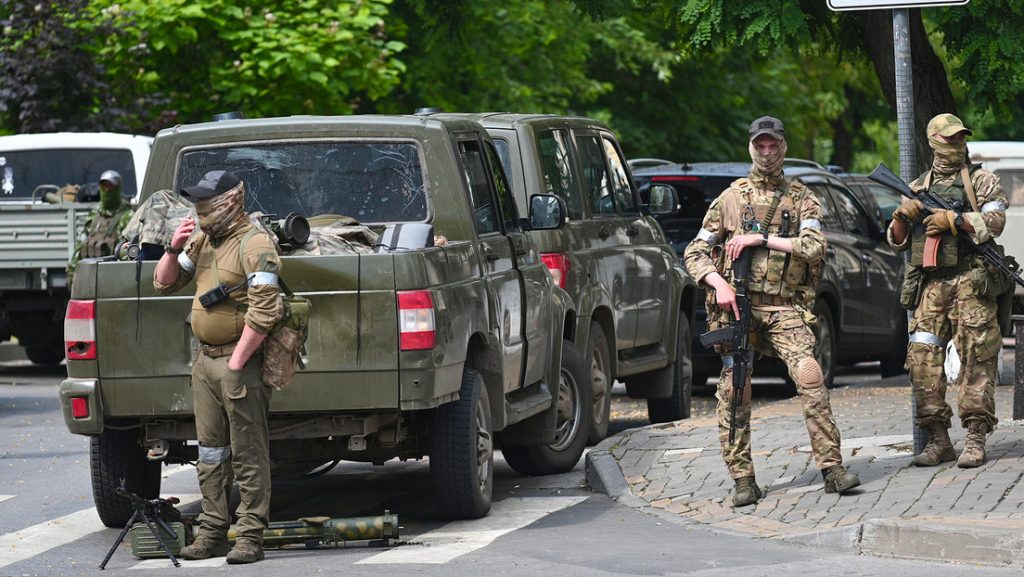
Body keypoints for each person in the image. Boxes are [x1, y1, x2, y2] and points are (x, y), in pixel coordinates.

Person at [683, 116, 860, 507]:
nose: (767, 152)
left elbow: (814, 246)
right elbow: (694, 252)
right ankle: (743, 479)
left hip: (783, 309)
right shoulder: (730, 199)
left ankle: (832, 468)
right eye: (760, 145)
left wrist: (761, 238)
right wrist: (719, 283)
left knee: (810, 376)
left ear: (783, 146)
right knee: (735, 389)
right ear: (751, 146)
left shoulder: (802, 198)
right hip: (739, 311)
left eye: (773, 145)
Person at [154, 170, 283, 564]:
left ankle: (249, 536)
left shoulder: (254, 243)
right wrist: (173, 249)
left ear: (230, 200)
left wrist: (238, 362)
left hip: (236, 362)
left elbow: (264, 312)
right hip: (205, 361)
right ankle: (212, 532)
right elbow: (164, 284)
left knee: (248, 451)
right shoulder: (203, 239)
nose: (201, 207)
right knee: (210, 452)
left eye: (208, 199)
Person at [887, 113, 1006, 469]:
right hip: (931, 286)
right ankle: (939, 440)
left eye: (960, 139)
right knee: (922, 359)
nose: (956, 144)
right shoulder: (918, 187)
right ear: (933, 140)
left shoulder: (981, 181)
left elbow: (996, 221)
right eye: (950, 138)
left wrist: (955, 220)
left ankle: (975, 438)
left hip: (971, 280)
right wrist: (901, 217)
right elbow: (896, 241)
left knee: (977, 357)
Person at [67, 170, 132, 286]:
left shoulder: (127, 217)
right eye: (103, 186)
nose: (106, 190)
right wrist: (72, 271)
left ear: (117, 189)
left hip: (114, 279)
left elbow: (129, 253)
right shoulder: (94, 216)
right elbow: (80, 244)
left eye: (110, 186)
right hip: (90, 278)